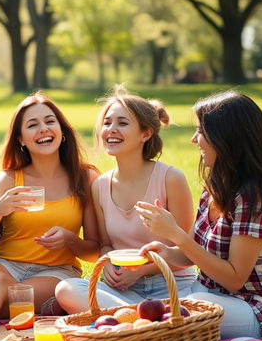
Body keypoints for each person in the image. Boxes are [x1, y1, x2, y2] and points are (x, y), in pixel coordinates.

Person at [136, 90, 262, 339]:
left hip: (252, 308)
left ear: (227, 137)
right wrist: (163, 252)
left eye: (200, 131)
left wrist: (176, 234)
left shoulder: (256, 197)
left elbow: (234, 279)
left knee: (183, 310)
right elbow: (191, 254)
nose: (193, 139)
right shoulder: (215, 185)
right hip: (204, 294)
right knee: (88, 293)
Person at [0, 91, 100, 320]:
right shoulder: (8, 179)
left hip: (57, 272)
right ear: (21, 139)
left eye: (50, 121)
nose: (43, 128)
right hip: (6, 266)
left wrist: (70, 240)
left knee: (4, 288)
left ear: (62, 132)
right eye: (32, 125)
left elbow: (94, 251)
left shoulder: (85, 177)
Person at [55, 86, 196, 313]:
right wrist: (108, 262)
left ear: (145, 133)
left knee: (206, 301)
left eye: (122, 123)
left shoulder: (171, 178)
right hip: (123, 291)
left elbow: (188, 250)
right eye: (107, 122)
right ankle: (145, 317)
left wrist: (141, 271)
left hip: (173, 285)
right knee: (65, 289)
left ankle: (134, 317)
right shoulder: (99, 186)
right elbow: (106, 245)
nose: (111, 129)